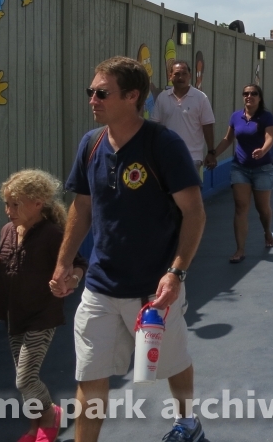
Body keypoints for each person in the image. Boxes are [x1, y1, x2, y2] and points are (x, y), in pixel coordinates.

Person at [52, 56, 207, 442]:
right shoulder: (91, 144)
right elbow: (82, 207)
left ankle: (188, 423)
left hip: (154, 291)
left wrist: (176, 273)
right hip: (100, 288)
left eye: (102, 92)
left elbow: (194, 213)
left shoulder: (162, 145)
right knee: (90, 375)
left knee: (173, 363)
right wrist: (63, 261)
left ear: (132, 96)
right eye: (91, 91)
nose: (92, 99)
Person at [0, 170, 86, 442]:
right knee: (24, 378)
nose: (9, 210)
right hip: (14, 314)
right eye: (6, 204)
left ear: (38, 202)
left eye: (15, 204)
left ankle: (51, 415)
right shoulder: (8, 231)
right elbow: (10, 271)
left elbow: (78, 263)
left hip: (42, 315)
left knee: (25, 379)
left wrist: (71, 281)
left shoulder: (53, 235)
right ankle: (34, 428)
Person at [212, 83, 273, 262]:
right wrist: (213, 154)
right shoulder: (236, 117)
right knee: (241, 207)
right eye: (246, 93)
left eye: (253, 93)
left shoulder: (265, 117)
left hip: (262, 169)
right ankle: (240, 249)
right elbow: (228, 139)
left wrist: (263, 150)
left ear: (259, 97)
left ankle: (267, 232)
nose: (249, 96)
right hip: (240, 167)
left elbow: (270, 137)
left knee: (262, 209)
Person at [151, 59, 217, 172]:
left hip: (192, 158)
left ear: (190, 75)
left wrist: (211, 152)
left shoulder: (200, 98)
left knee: (189, 190)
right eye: (176, 74)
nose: (180, 77)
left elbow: (207, 126)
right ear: (170, 76)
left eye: (184, 74)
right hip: (166, 156)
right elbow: (155, 126)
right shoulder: (162, 97)